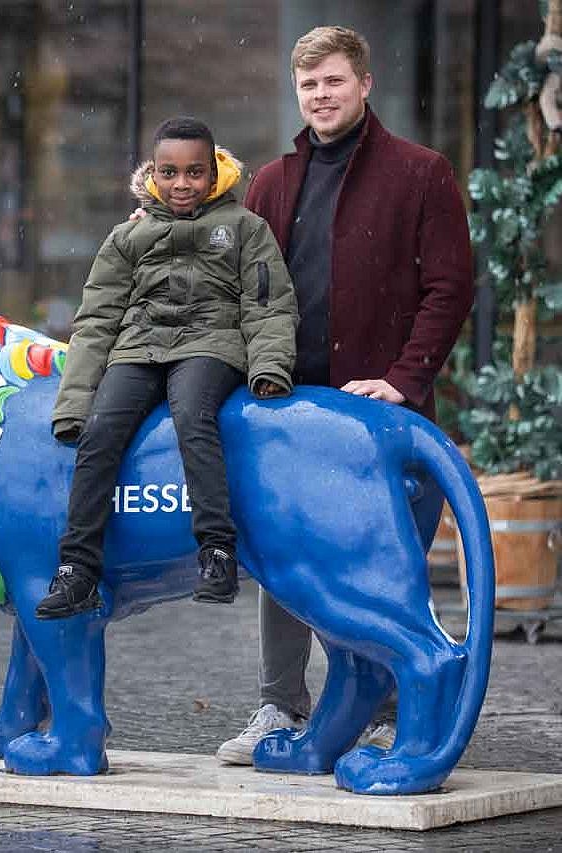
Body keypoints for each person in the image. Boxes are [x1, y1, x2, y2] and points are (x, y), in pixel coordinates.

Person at [215, 25, 474, 764]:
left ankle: (390, 711)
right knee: (281, 559)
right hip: (289, 417)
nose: (320, 96)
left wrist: (402, 378)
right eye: (307, 85)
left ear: (363, 85)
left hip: (377, 420)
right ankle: (279, 706)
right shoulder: (270, 182)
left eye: (332, 81)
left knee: (382, 566)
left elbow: (449, 286)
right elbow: (237, 283)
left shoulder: (421, 173)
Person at [34, 116, 299, 620]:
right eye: (170, 173)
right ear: (153, 174)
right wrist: (73, 404)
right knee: (101, 433)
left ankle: (217, 551)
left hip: (211, 343)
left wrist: (269, 368)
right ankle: (77, 570)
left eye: (195, 173)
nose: (182, 184)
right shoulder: (126, 238)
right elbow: (96, 320)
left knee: (194, 416)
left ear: (214, 171)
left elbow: (268, 304)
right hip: (139, 347)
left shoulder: (244, 228)